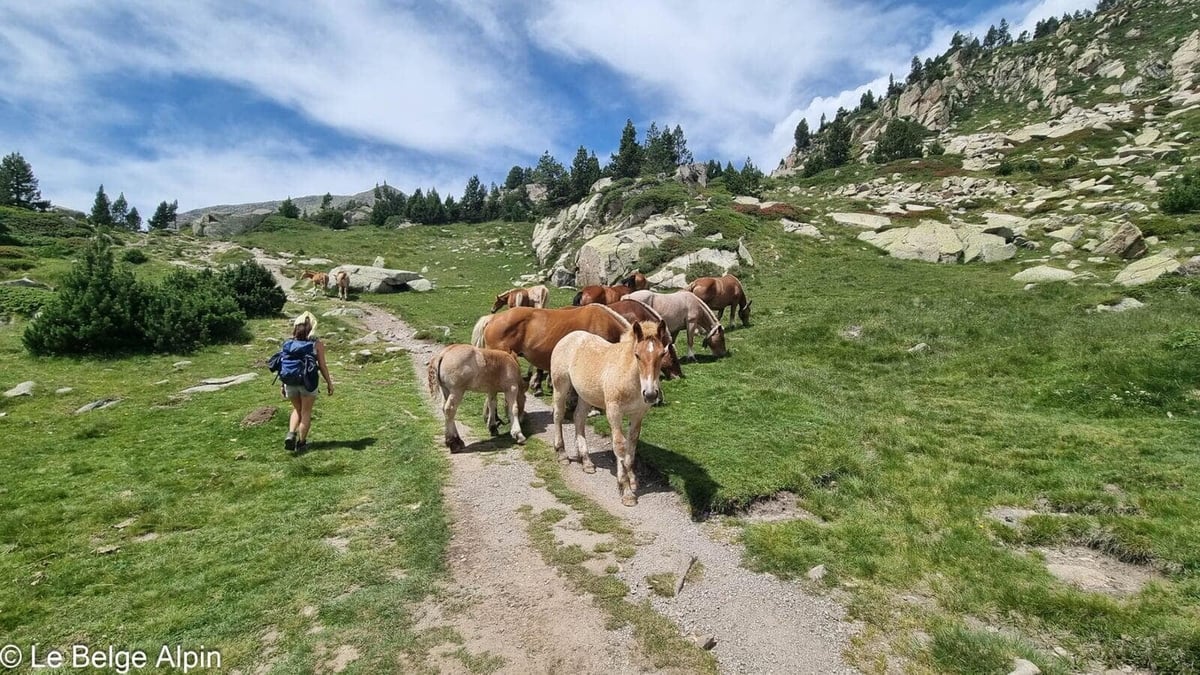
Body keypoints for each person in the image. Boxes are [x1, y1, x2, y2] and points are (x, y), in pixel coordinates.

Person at [283, 311, 334, 453]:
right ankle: (301, 443)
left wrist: (283, 384)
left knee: (296, 409)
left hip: (290, 382)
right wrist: (329, 383)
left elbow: (284, 364)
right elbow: (322, 366)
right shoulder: (317, 344)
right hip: (308, 382)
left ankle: (291, 434)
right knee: (306, 412)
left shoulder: (288, 343)